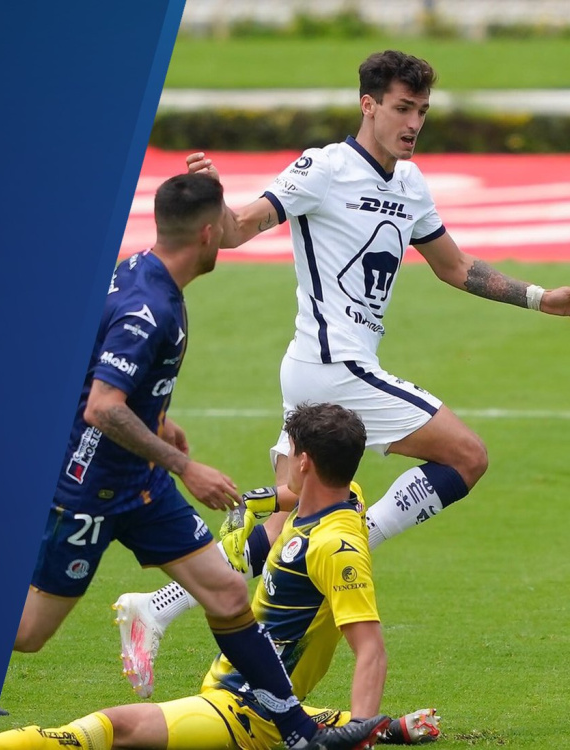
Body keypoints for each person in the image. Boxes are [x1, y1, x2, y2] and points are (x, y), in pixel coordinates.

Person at [111, 48, 570, 697]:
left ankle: (156, 606)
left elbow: (455, 267)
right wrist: (214, 199)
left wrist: (540, 299)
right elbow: (238, 230)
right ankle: (343, 540)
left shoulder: (410, 184)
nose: (414, 123)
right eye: (403, 108)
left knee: (286, 522)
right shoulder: (323, 169)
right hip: (334, 368)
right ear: (369, 105)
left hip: (320, 370)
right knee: (466, 456)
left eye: (422, 111)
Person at [13, 174, 387, 749]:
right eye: (228, 224)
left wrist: (159, 422)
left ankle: (299, 736)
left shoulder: (143, 273)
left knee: (227, 594)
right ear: (209, 234)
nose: (235, 231)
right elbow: (102, 407)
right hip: (93, 492)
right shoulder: (150, 309)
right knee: (29, 633)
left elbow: (100, 373)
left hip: (142, 485)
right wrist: (185, 467)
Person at [0, 404, 442, 750]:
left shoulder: (335, 548)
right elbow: (288, 495)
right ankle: (391, 728)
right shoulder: (346, 495)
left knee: (114, 728)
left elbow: (370, 649)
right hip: (250, 693)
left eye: (290, 452)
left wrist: (360, 732)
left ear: (304, 462)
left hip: (247, 711)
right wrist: (249, 505)